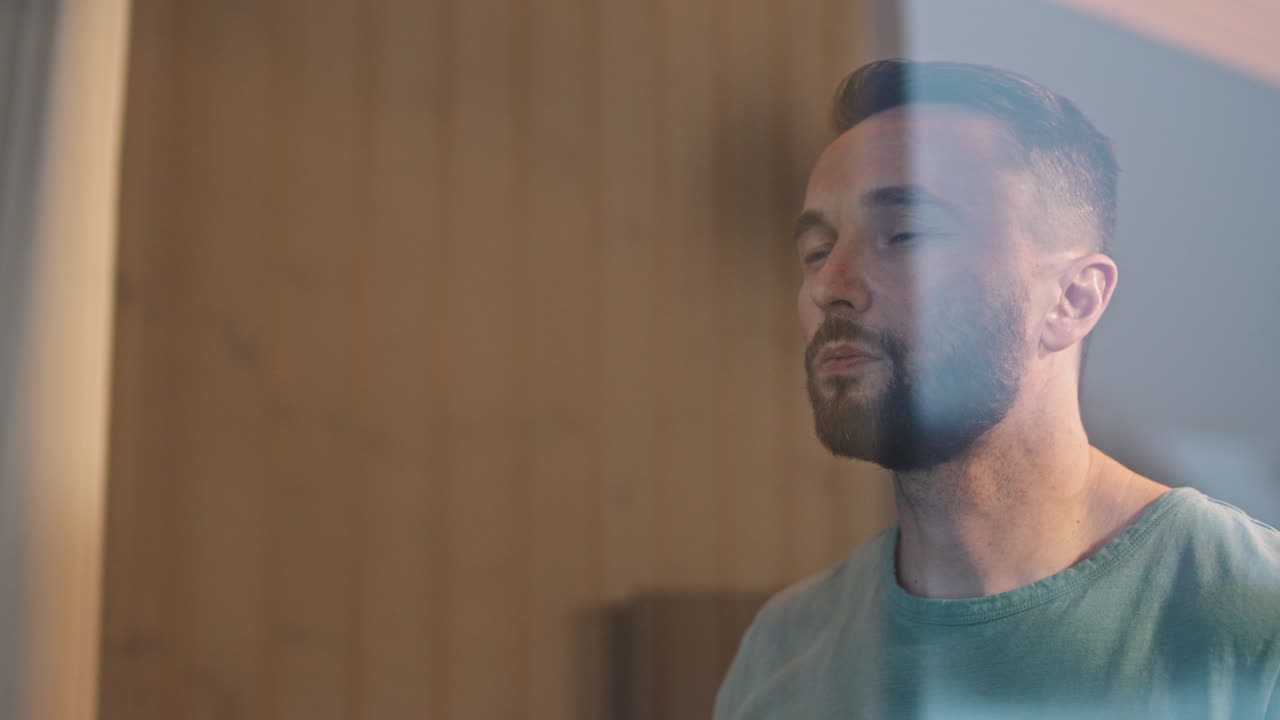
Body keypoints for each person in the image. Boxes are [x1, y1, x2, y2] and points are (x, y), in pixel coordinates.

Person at [714, 59, 1280, 719]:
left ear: (1072, 298)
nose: (829, 283)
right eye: (816, 250)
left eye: (906, 235)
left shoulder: (1254, 617)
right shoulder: (784, 650)